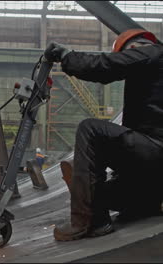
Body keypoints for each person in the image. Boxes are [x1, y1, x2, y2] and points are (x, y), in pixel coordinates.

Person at [44, 29, 163, 241]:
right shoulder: (153, 71)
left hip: (156, 154)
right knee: (103, 193)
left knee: (92, 129)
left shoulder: (153, 53)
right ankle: (138, 203)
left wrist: (67, 56)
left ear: (133, 49)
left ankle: (89, 222)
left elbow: (104, 67)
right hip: (153, 174)